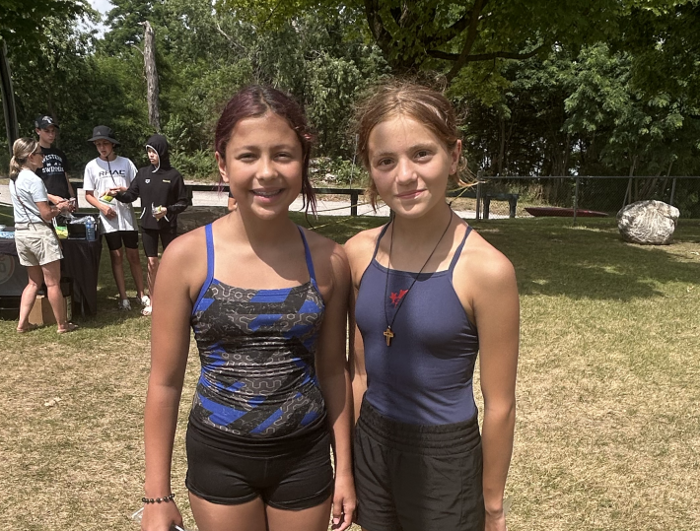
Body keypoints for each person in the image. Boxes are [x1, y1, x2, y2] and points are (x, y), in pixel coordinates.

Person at [141, 86, 355, 531]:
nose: (267, 172)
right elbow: (164, 381)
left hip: (305, 457)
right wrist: (157, 494)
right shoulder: (187, 258)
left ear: (303, 160)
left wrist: (345, 471)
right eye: (248, 156)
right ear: (222, 163)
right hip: (220, 457)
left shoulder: (330, 260)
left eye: (283, 155)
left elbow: (334, 372)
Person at [345, 82, 520, 531]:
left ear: (454, 155)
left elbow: (500, 405)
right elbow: (358, 373)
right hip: (371, 444)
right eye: (386, 161)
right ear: (370, 168)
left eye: (422, 154)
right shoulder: (358, 254)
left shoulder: (487, 270)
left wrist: (493, 507)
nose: (405, 175)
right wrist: (348, 467)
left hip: (445, 459)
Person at [107, 134, 189, 316]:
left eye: (154, 151)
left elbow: (183, 202)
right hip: (148, 226)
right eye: (148, 151)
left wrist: (167, 210)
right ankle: (152, 301)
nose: (151, 155)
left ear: (162, 152)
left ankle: (175, 299)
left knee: (171, 263)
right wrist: (116, 195)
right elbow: (131, 195)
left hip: (168, 226)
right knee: (152, 263)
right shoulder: (143, 173)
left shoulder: (174, 175)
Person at [9, 138, 78, 334]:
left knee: (33, 282)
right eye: (40, 153)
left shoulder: (15, 178)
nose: (44, 157)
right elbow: (46, 214)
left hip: (21, 233)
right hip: (39, 233)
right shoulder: (34, 180)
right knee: (52, 282)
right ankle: (62, 325)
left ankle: (22, 323)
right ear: (31, 157)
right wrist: (61, 207)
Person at [83, 125, 149, 311]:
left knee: (133, 255)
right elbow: (88, 194)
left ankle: (141, 294)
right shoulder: (91, 166)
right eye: (98, 144)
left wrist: (122, 190)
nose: (102, 148)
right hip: (108, 218)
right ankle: (123, 297)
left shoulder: (126, 163)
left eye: (105, 143)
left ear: (112, 144)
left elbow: (137, 188)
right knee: (116, 255)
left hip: (126, 216)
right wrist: (102, 207)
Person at [34, 114, 76, 211]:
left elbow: (65, 178)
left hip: (64, 202)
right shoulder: (34, 154)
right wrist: (51, 197)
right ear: (38, 131)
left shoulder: (60, 153)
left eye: (53, 131)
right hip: (45, 204)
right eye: (47, 131)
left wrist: (73, 198)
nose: (51, 134)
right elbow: (31, 185)